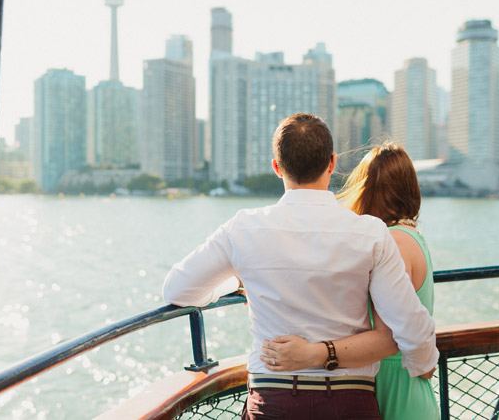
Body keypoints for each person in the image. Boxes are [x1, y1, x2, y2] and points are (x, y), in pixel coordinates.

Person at [162, 114, 438, 420]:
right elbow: (410, 326)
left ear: (277, 167)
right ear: (332, 164)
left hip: (273, 401)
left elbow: (177, 289)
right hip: (349, 402)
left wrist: (234, 283)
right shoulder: (370, 233)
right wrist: (421, 363)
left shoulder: (243, 228)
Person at [260, 142, 439, 419]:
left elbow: (397, 324)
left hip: (390, 384)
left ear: (365, 189)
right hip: (406, 380)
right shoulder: (411, 236)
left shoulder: (392, 242)